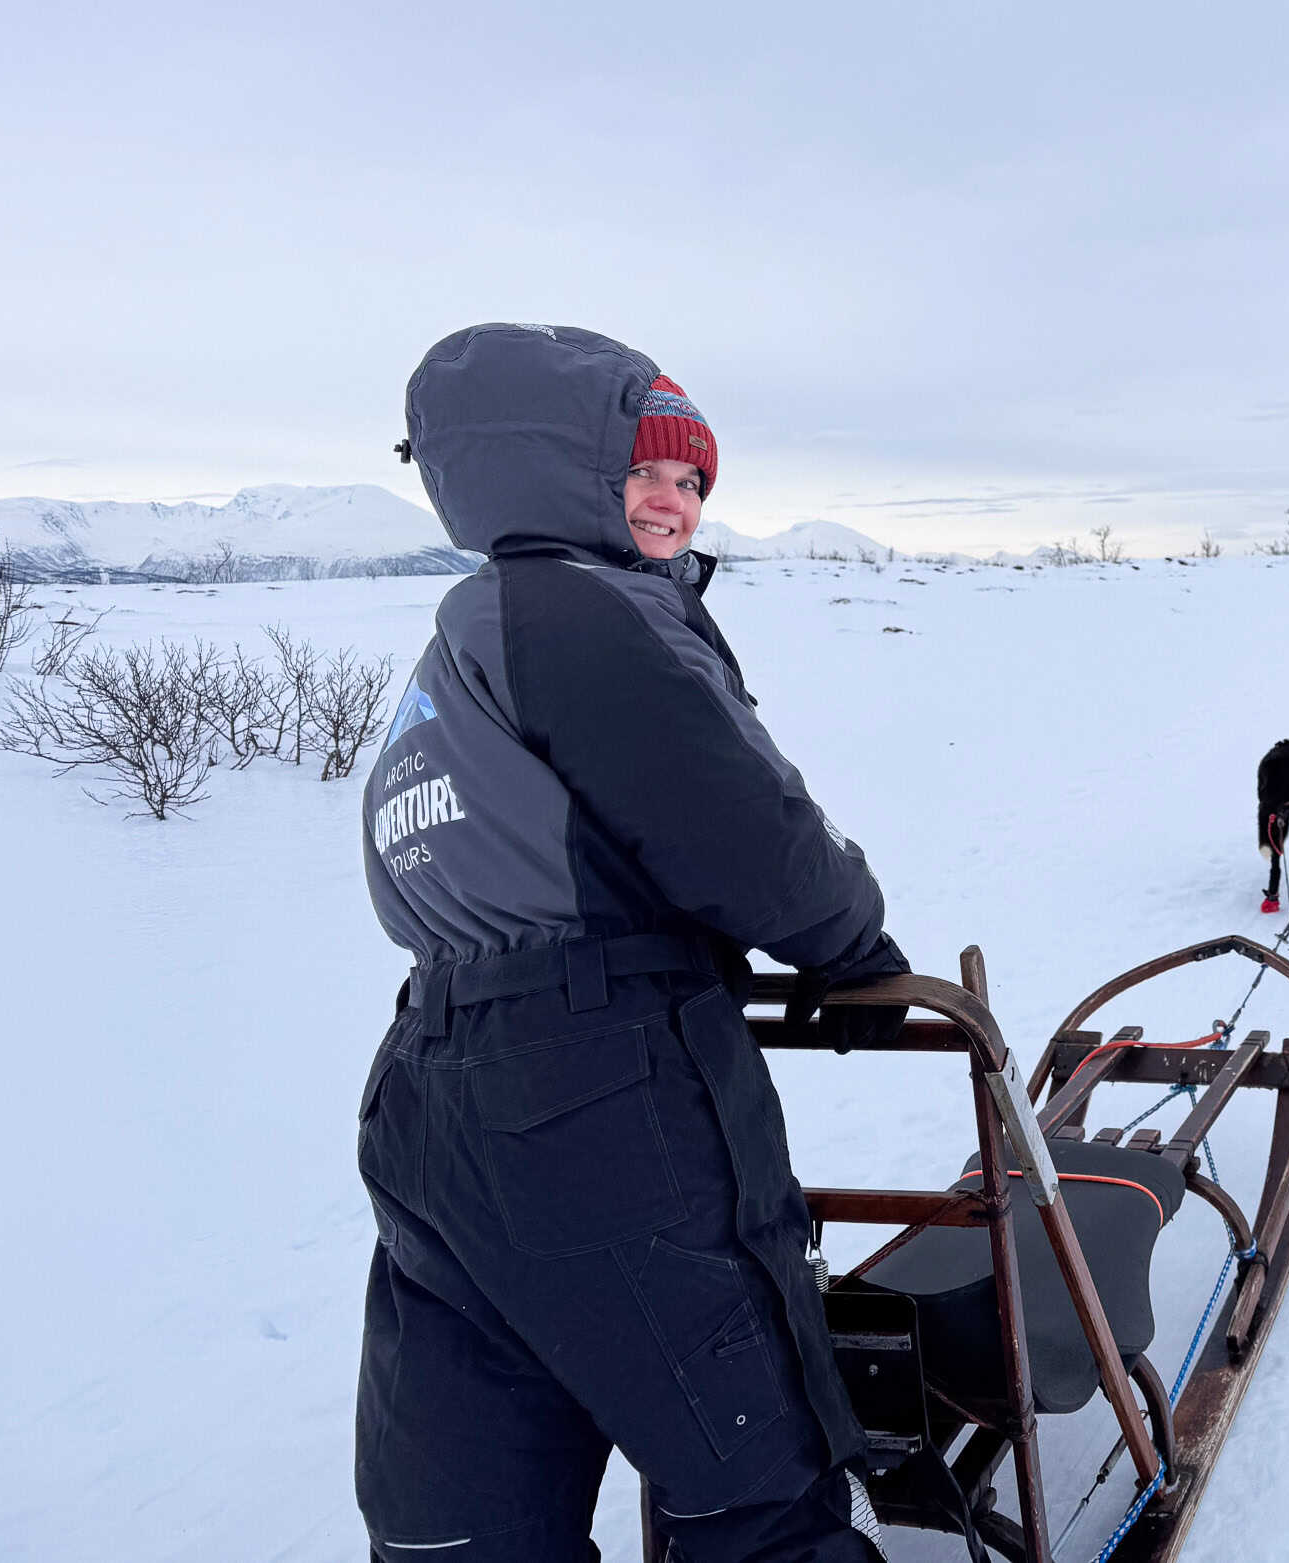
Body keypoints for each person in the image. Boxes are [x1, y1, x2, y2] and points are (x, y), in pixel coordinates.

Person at [356, 324, 905, 1562]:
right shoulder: (582, 613)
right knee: (754, 1476)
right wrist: (852, 948)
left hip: (428, 1097)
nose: (675, 501)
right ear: (553, 467)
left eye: (695, 482)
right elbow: (743, 832)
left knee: (465, 1514)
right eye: (644, 469)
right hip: (597, 1088)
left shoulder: (462, 642)